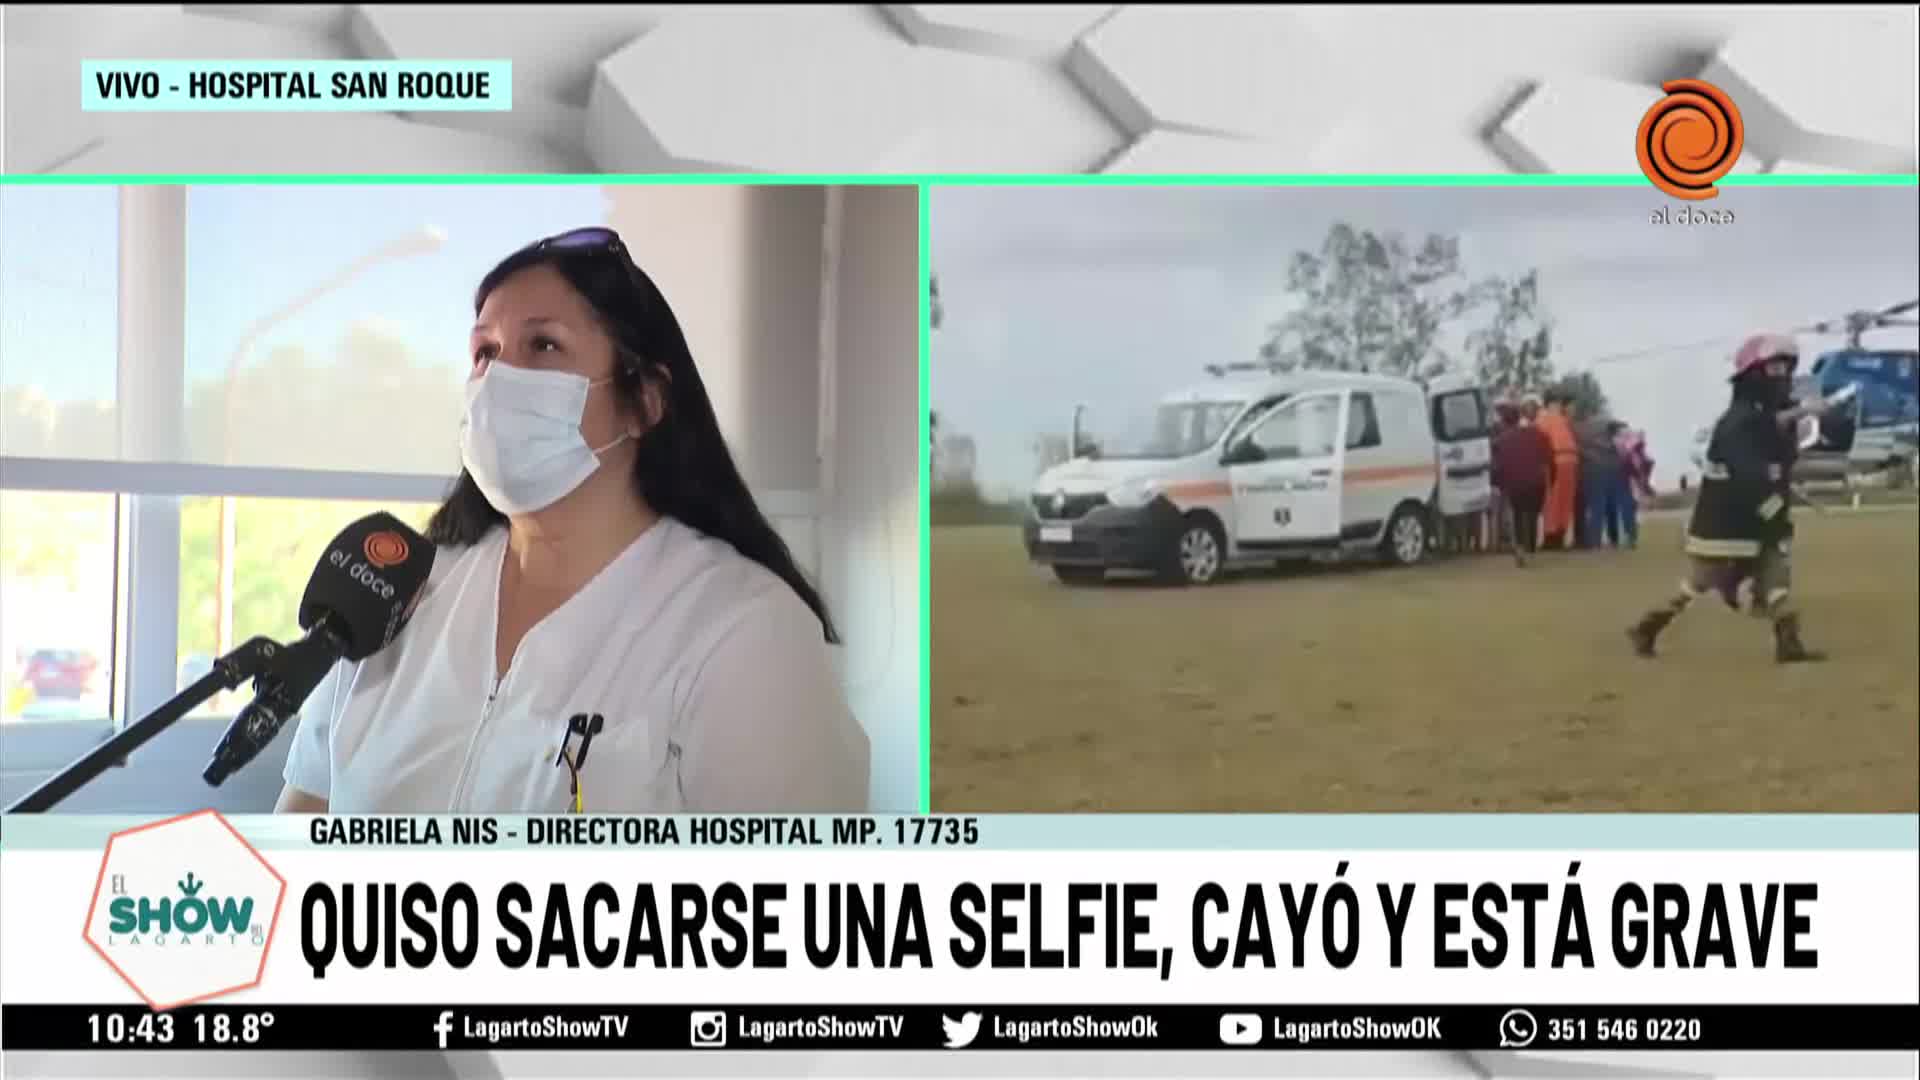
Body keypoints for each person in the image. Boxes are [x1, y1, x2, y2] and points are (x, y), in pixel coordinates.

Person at [276, 227, 872, 813]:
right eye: (485, 353)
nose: (498, 381)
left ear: (644, 401)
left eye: (544, 346)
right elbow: (300, 826)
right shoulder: (398, 594)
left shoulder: (741, 627)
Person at [1626, 333, 1828, 663]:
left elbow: (1776, 445)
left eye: (1785, 369)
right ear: (1754, 374)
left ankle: (1788, 642)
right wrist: (1772, 504)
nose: (1781, 377)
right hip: (1728, 520)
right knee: (1699, 581)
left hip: (1762, 514)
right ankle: (1648, 627)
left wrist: (1795, 421)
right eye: (1773, 368)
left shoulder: (1761, 417)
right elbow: (1750, 471)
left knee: (1776, 573)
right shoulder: (1736, 422)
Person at [1491, 400, 1552, 556]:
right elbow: (1550, 460)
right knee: (1532, 512)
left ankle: (1519, 546)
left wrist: (1498, 484)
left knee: (1518, 513)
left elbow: (1498, 466)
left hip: (1514, 485)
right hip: (1536, 483)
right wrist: (1551, 480)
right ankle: (1530, 547)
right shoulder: (1539, 434)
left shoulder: (1501, 440)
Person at [1535, 391, 1580, 549]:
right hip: (1558, 460)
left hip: (1564, 460)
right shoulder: (1546, 418)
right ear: (1549, 404)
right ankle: (1553, 536)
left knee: (1560, 499)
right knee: (1556, 499)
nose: (1559, 406)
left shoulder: (1557, 419)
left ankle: (1557, 535)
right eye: (1556, 403)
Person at [1614, 423, 1655, 548]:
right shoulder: (1638, 454)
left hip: (1630, 484)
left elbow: (1639, 469)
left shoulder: (1632, 453)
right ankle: (1630, 537)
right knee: (1631, 512)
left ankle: (1630, 537)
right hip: (1634, 484)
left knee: (1628, 511)